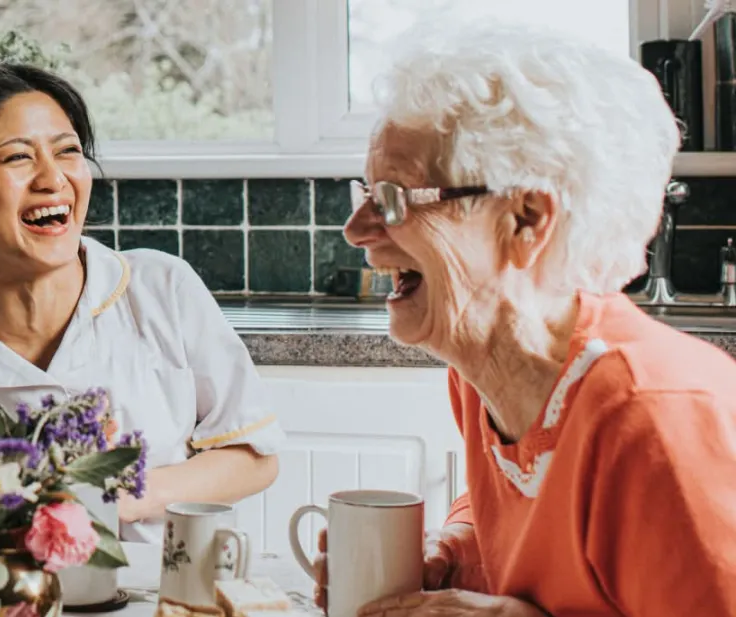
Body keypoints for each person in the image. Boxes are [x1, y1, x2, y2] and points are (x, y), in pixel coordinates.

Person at [312, 21, 736, 617]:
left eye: (393, 199)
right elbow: (524, 516)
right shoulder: (483, 371)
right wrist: (451, 552)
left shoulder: (656, 419)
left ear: (526, 219)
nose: (356, 230)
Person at [0, 60, 284, 543]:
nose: (54, 179)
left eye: (68, 151)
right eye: (17, 157)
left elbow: (255, 457)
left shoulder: (162, 289)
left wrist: (125, 494)